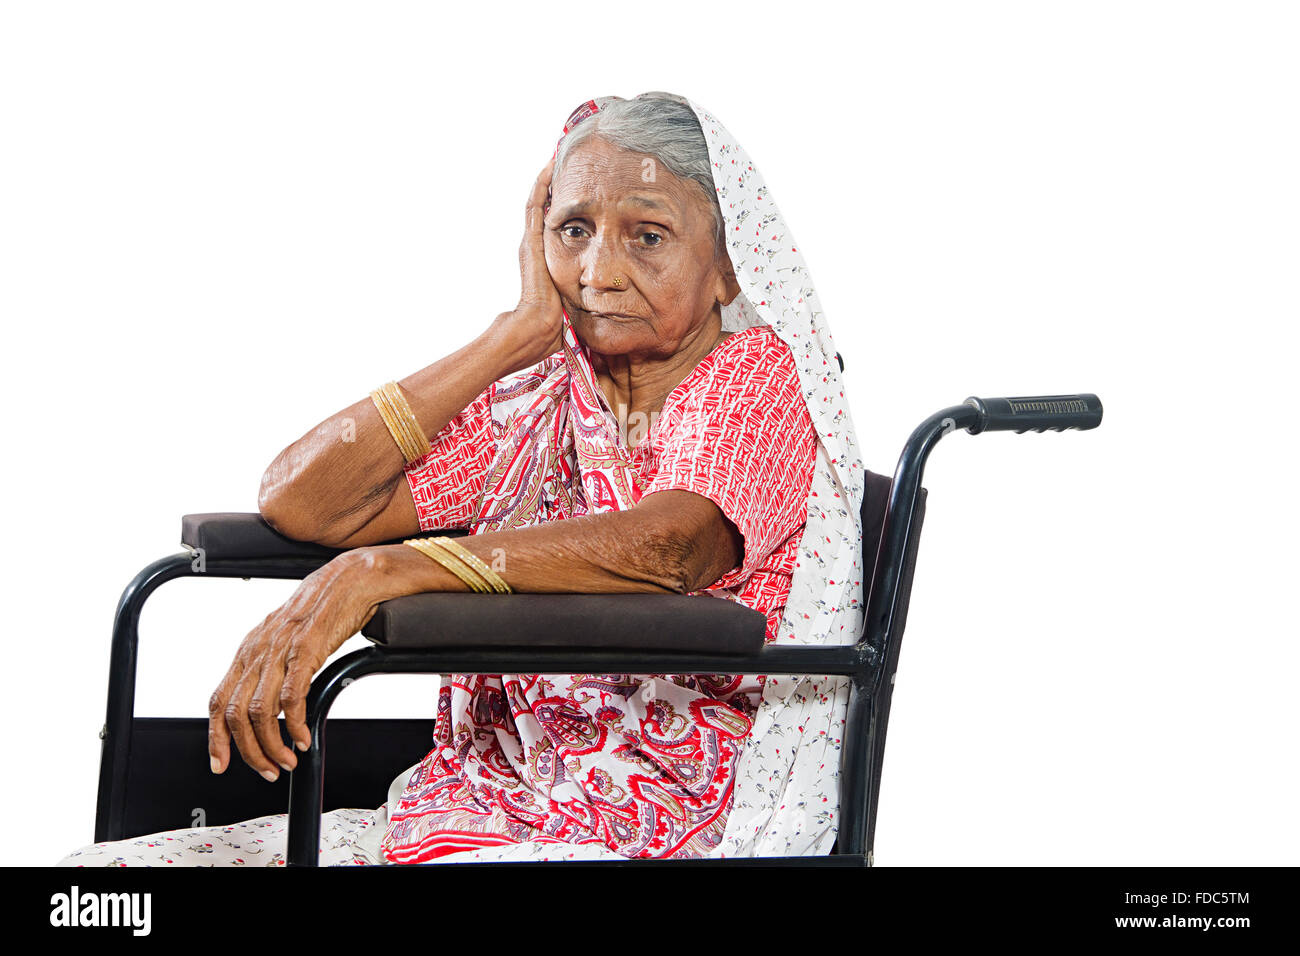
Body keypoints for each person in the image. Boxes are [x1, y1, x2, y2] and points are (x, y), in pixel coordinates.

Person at [57, 91, 865, 866]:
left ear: (728, 268)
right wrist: (511, 336)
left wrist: (392, 569)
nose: (598, 272)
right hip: (487, 793)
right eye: (573, 230)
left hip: (673, 808)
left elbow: (668, 547)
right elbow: (302, 501)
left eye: (647, 236)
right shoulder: (545, 395)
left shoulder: (756, 377)